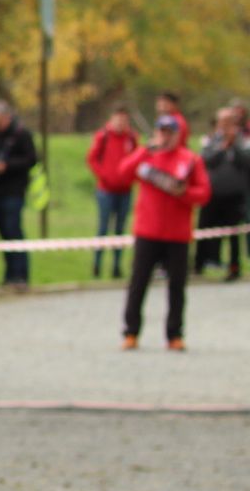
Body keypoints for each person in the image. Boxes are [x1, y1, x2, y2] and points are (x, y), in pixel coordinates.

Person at [115, 114, 210, 350]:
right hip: (148, 231)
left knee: (177, 286)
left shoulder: (190, 160)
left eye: (170, 132)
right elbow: (122, 174)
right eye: (162, 131)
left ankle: (174, 334)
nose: (166, 136)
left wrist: (184, 194)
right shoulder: (146, 156)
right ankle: (131, 332)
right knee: (138, 283)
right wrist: (144, 151)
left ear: (178, 134)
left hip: (177, 233)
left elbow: (204, 193)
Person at [0, 100, 37, 290]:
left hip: (14, 190)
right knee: (3, 233)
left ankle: (21, 274)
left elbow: (31, 159)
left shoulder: (21, 135)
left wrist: (8, 166)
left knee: (13, 231)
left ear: (6, 118)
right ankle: (9, 274)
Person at [194, 106, 247, 281]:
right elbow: (206, 161)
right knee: (204, 229)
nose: (225, 126)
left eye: (229, 122)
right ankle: (199, 265)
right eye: (222, 122)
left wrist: (234, 146)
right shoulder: (209, 140)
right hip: (212, 194)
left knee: (233, 233)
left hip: (234, 196)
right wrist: (223, 147)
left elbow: (246, 164)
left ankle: (234, 267)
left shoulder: (243, 141)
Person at [85, 106, 138, 280]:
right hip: (106, 190)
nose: (121, 124)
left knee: (120, 229)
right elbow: (92, 159)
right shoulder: (103, 136)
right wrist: (104, 176)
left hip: (125, 191)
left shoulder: (131, 138)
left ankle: (117, 266)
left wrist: (130, 178)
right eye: (118, 120)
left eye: (124, 120)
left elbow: (137, 159)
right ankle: (97, 264)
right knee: (103, 227)